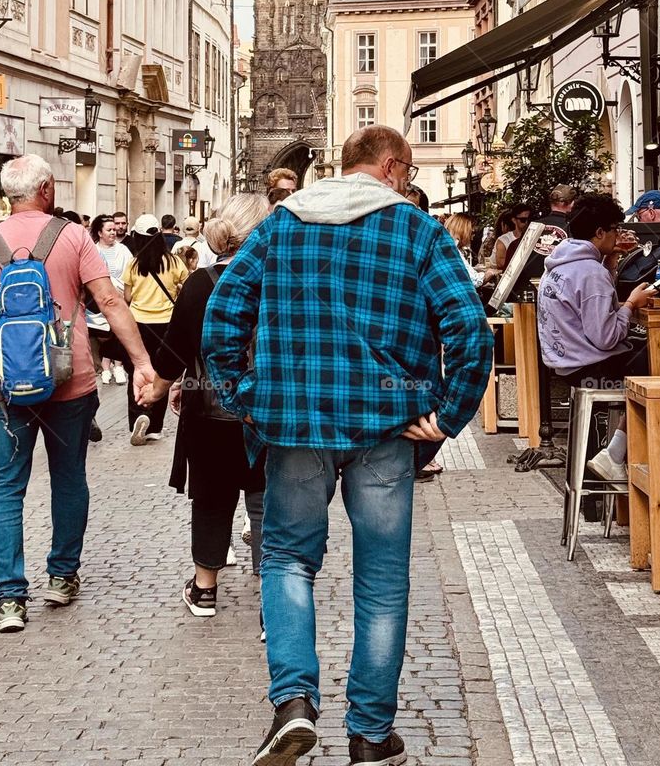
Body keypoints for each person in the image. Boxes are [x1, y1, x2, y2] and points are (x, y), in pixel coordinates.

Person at [203, 125, 492, 766]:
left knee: (286, 561)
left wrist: (248, 397)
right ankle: (369, 735)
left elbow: (221, 315)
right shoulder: (417, 231)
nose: (411, 182)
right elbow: (471, 330)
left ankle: (295, 705)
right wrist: (448, 416)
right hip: (389, 428)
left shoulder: (281, 226)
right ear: (389, 168)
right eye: (408, 170)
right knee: (383, 582)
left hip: (296, 425)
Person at [0, 154, 155, 634]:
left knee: (4, 487)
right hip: (70, 380)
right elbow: (109, 300)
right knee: (68, 479)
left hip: (6, 386)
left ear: (8, 195)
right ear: (45, 190)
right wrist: (142, 362)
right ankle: (62, 576)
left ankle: (9, 600)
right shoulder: (71, 236)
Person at [140, 194, 271, 623]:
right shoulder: (279, 278)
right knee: (267, 499)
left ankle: (204, 590)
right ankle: (276, 591)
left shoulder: (201, 283)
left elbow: (174, 349)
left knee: (212, 498)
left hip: (210, 412)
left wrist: (158, 391)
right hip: (268, 411)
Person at [537, 193, 658, 485]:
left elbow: (593, 309)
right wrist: (630, 305)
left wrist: (612, 258)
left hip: (565, 364)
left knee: (647, 356)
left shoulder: (562, 262)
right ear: (600, 232)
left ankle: (615, 452)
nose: (619, 233)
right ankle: (615, 454)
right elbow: (605, 337)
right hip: (591, 369)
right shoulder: (590, 272)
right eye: (615, 228)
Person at [123, 214, 189, 445]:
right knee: (162, 372)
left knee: (137, 371)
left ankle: (138, 416)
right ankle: (155, 427)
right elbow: (185, 287)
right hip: (166, 324)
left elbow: (128, 296)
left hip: (139, 324)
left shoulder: (133, 263)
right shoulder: (173, 262)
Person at [87, 214, 132, 387]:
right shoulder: (93, 250)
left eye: (114, 229)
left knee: (119, 332)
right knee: (104, 335)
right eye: (109, 229)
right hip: (99, 300)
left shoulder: (123, 250)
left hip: (121, 298)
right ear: (100, 232)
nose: (113, 232)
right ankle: (105, 368)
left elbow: (129, 274)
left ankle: (118, 366)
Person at [499, 203, 534, 269]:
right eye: (523, 220)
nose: (527, 222)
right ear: (514, 220)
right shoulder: (504, 240)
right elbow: (501, 264)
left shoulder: (535, 238)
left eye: (529, 219)